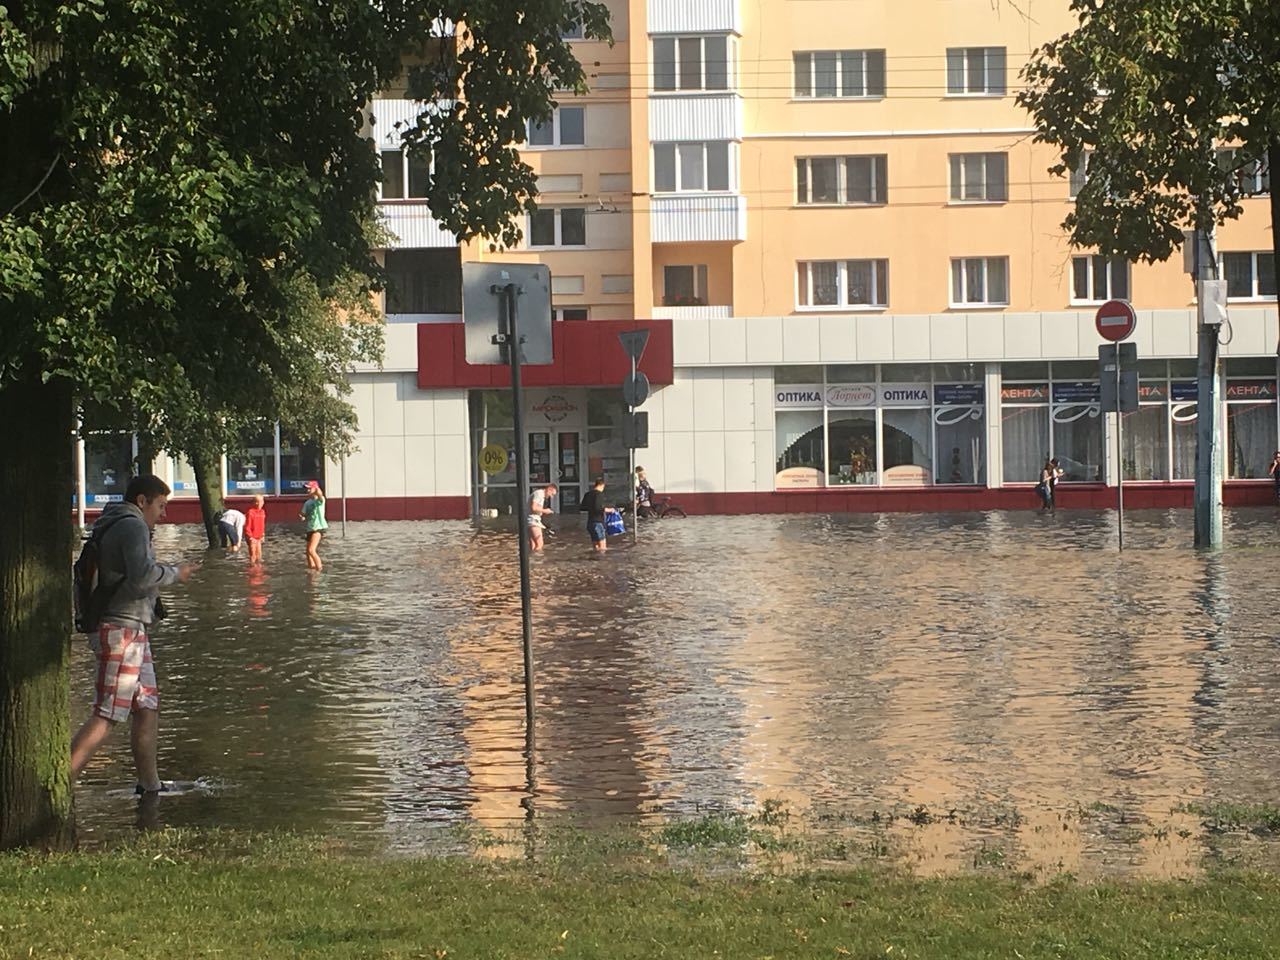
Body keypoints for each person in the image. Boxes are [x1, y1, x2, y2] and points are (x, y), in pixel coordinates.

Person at [70, 475, 198, 794]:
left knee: (147, 706)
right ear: (142, 501)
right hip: (120, 630)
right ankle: (57, 785)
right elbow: (141, 578)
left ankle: (150, 786)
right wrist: (175, 573)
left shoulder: (113, 522)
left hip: (132, 628)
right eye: (161, 506)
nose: (164, 514)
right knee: (108, 714)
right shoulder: (133, 525)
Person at [579, 476, 618, 553]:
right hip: (598, 523)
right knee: (603, 548)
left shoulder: (588, 494)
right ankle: (601, 563)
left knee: (596, 548)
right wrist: (609, 510)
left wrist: (591, 508)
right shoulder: (599, 494)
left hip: (590, 523)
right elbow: (598, 508)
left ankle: (594, 561)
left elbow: (582, 507)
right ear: (602, 485)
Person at [299, 480, 327, 571]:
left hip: (318, 528)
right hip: (310, 528)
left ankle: (319, 569)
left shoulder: (319, 501)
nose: (307, 491)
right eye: (307, 489)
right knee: (308, 552)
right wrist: (302, 516)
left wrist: (317, 490)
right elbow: (303, 513)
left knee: (312, 550)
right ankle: (312, 568)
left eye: (309, 489)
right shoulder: (307, 503)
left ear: (315, 489)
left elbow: (320, 495)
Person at [527, 482, 557, 552]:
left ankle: (532, 560)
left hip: (530, 520)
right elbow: (533, 508)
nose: (551, 497)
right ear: (549, 489)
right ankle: (538, 560)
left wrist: (542, 512)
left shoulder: (540, 495)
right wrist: (545, 510)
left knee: (533, 544)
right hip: (533, 521)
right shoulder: (539, 494)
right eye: (552, 494)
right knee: (540, 544)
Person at [245, 494, 267, 563]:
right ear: (253, 502)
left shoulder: (262, 512)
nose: (258, 503)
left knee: (259, 556)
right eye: (256, 501)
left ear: (263, 502)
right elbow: (247, 526)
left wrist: (263, 535)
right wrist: (250, 537)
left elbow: (262, 525)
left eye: (261, 501)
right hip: (252, 537)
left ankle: (259, 570)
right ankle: (252, 570)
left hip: (259, 537)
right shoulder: (251, 512)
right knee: (253, 556)